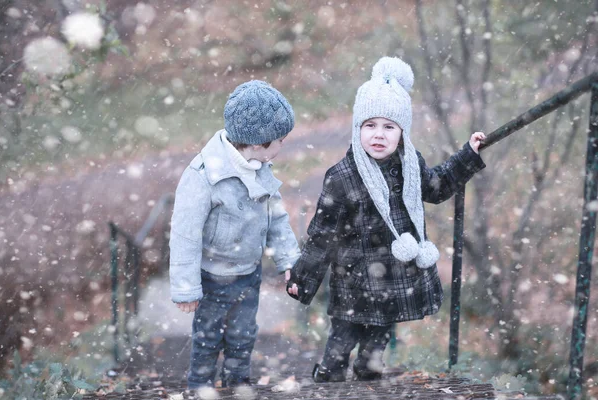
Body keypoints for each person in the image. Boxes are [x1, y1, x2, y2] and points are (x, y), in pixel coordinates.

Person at [286, 56, 486, 382]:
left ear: (402, 133)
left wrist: (468, 156)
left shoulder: (409, 165)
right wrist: (302, 278)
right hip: (352, 282)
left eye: (389, 127)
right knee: (341, 343)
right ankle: (328, 383)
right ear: (357, 129)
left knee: (375, 349)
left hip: (392, 281)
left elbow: (437, 186)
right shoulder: (342, 176)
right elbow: (322, 235)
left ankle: (368, 381)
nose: (379, 135)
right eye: (370, 125)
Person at [169, 80, 300, 389]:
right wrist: (186, 287)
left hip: (248, 273)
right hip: (213, 277)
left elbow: (276, 217)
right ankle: (199, 388)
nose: (283, 146)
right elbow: (185, 234)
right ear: (259, 142)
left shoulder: (260, 166)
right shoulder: (203, 177)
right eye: (281, 140)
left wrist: (289, 259)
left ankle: (238, 386)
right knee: (208, 338)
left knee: (243, 335)